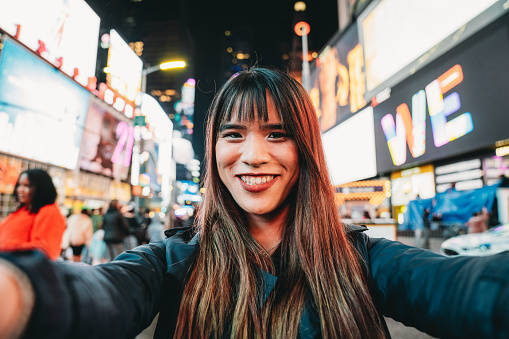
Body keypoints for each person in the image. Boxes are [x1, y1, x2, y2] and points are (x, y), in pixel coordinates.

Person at [1, 68, 509, 338]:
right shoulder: (171, 264)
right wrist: (21, 294)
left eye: (276, 133)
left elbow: (466, 289)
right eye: (233, 134)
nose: (252, 156)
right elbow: (97, 296)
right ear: (214, 150)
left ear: (304, 149)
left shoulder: (366, 262)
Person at [0, 169, 65, 260]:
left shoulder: (49, 211)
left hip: (20, 269)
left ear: (41, 188)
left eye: (27, 186)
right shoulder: (24, 209)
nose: (20, 190)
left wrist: (6, 247)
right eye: (19, 185)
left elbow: (45, 250)